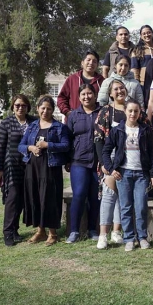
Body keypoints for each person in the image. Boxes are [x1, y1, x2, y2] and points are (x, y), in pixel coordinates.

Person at [102, 98, 153, 251]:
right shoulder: (117, 130)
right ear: (125, 111)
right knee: (125, 207)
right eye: (130, 110)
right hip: (123, 173)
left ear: (140, 113)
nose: (133, 114)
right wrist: (111, 168)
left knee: (140, 206)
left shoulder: (146, 131)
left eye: (136, 111)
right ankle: (129, 238)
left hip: (142, 174)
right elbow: (106, 151)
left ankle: (142, 237)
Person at [19, 95, 71, 246]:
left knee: (50, 199)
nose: (45, 111)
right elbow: (21, 146)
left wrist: (48, 145)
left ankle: (53, 233)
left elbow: (66, 145)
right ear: (37, 109)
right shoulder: (33, 126)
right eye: (43, 108)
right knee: (35, 196)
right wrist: (30, 147)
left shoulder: (59, 127)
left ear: (53, 110)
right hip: (33, 167)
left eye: (49, 108)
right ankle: (40, 231)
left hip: (50, 167)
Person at [95, 80, 138, 248]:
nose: (119, 91)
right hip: (110, 156)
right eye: (116, 89)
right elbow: (98, 139)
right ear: (110, 93)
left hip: (130, 157)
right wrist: (104, 163)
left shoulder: (133, 108)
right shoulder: (105, 111)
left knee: (123, 195)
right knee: (109, 193)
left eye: (122, 88)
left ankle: (117, 232)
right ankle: (103, 235)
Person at [0, 94, 37, 247]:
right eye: (17, 105)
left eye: (23, 105)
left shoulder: (34, 121)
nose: (20, 108)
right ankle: (7, 232)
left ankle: (15, 229)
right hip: (11, 164)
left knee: (22, 198)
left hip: (29, 164)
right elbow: (1, 147)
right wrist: (0, 169)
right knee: (12, 198)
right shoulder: (6, 123)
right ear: (13, 106)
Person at [65, 84, 102, 244]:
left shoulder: (102, 112)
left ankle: (92, 229)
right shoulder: (73, 115)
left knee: (95, 197)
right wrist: (67, 159)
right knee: (79, 195)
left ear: (95, 95)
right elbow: (67, 139)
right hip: (78, 162)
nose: (87, 97)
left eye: (89, 94)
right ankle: (74, 230)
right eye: (83, 94)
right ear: (79, 97)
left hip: (98, 162)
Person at [57, 50, 103, 118]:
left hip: (95, 121)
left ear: (97, 65)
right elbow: (62, 98)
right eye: (88, 60)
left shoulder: (102, 81)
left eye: (94, 61)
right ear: (82, 63)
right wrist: (67, 112)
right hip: (74, 122)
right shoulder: (72, 79)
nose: (91, 63)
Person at [130, 25, 153, 89]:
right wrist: (136, 83)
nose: (147, 35)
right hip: (144, 84)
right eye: (144, 34)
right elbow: (134, 69)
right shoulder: (137, 50)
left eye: (149, 32)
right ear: (141, 36)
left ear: (152, 33)